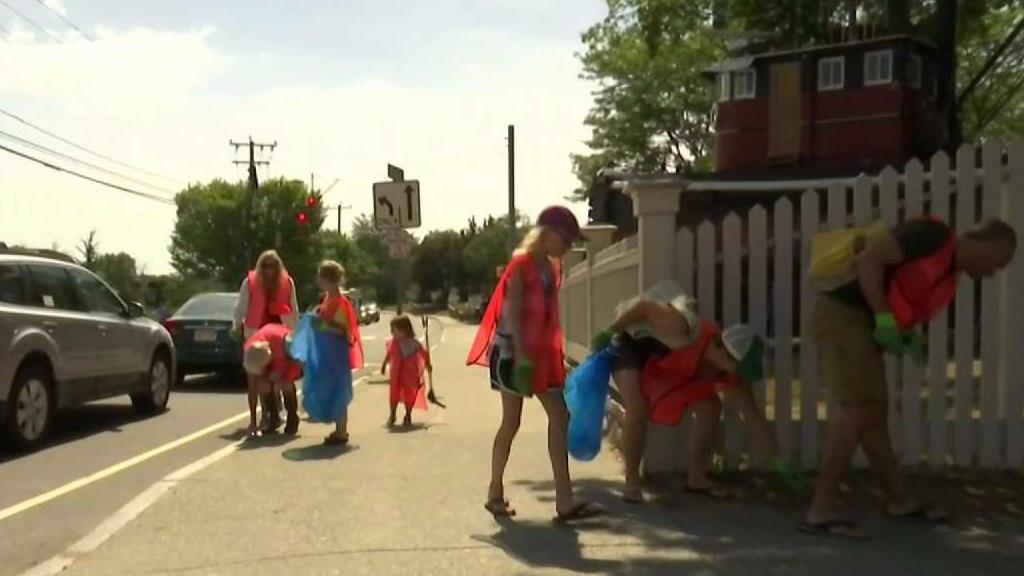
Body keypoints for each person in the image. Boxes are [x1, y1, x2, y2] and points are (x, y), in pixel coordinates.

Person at [802, 217, 1017, 539]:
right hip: (842, 314)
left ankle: (898, 499)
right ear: (990, 245)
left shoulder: (948, 270)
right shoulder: (931, 235)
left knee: (873, 413)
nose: (993, 272)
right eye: (998, 262)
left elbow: (898, 288)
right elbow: (869, 260)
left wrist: (901, 332)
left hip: (861, 322)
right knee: (861, 408)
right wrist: (884, 318)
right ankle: (821, 509)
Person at [467, 205, 603, 523]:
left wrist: (553, 357)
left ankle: (564, 501)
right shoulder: (521, 264)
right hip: (513, 352)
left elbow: (547, 318)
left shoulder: (552, 267)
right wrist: (521, 354)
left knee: (560, 415)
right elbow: (511, 311)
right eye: (566, 239)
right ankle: (495, 492)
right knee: (511, 422)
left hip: (540, 355)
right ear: (548, 233)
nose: (569, 247)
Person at [590, 282, 777, 504]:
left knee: (711, 406)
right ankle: (632, 481)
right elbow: (645, 307)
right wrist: (610, 330)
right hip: (631, 346)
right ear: (723, 350)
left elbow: (752, 416)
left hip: (663, 366)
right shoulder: (684, 328)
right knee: (637, 407)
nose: (741, 374)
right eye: (740, 366)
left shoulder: (731, 372)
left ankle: (697, 477)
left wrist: (777, 462)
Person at [233, 250, 299, 433]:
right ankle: (271, 416)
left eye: (272, 265)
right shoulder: (250, 282)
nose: (269, 270)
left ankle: (292, 416)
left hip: (281, 335)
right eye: (265, 265)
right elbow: (241, 306)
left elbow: (293, 308)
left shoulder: (287, 281)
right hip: (258, 335)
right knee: (261, 379)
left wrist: (297, 333)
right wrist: (236, 324)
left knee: (285, 378)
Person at [309, 260, 363, 446]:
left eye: (320, 277)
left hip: (336, 353)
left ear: (328, 280)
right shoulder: (329, 299)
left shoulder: (340, 302)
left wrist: (322, 324)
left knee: (338, 391)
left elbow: (342, 330)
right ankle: (339, 430)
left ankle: (341, 432)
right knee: (333, 390)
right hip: (329, 352)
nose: (317, 280)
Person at [242, 323, 302, 437]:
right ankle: (273, 417)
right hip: (265, 354)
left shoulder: (282, 347)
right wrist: (253, 422)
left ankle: (292, 417)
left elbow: (295, 366)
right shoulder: (249, 350)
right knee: (263, 386)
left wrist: (280, 380)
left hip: (289, 356)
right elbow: (252, 389)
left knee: (285, 384)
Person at [381, 315, 431, 427]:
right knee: (394, 394)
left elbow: (424, 354)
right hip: (395, 374)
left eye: (395, 330)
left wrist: (428, 365)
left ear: (405, 330)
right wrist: (384, 364)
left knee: (409, 394)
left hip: (409, 374)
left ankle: (408, 414)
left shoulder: (414, 343)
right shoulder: (393, 342)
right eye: (392, 330)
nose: (392, 332)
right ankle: (392, 414)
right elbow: (389, 354)